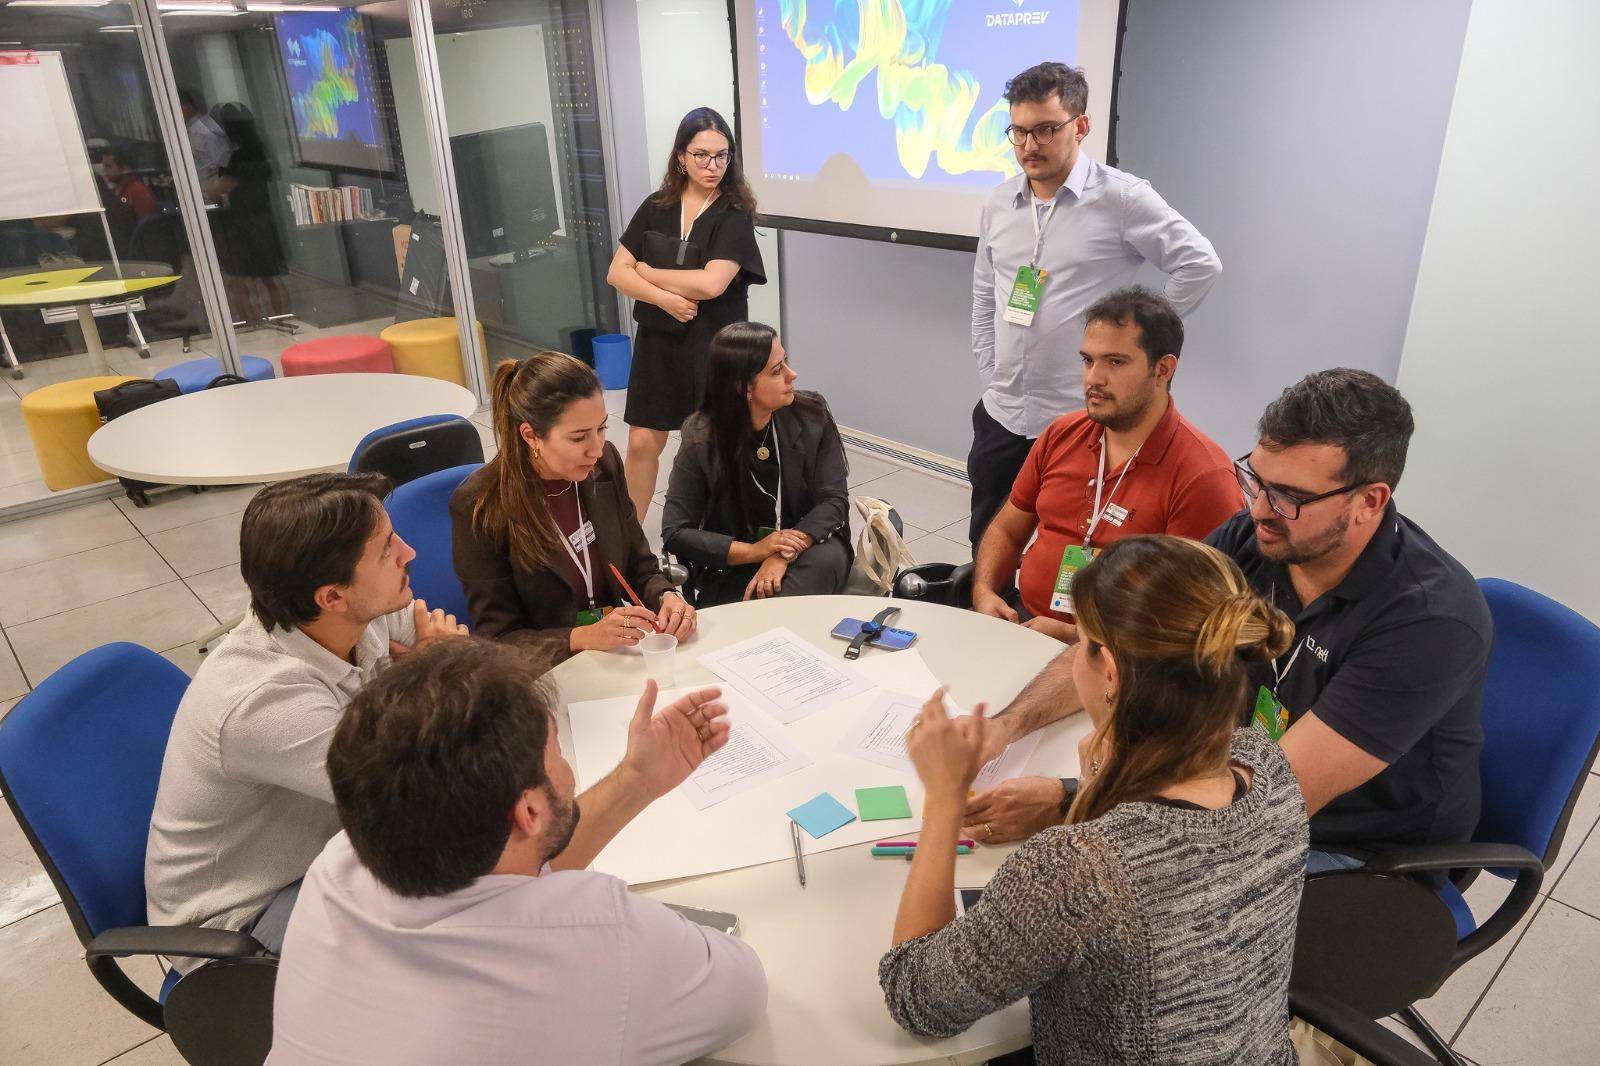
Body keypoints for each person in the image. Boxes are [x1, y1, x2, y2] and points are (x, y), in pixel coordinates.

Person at [961, 371, 1491, 878]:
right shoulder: (1255, 538)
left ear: (1369, 501)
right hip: (1227, 778)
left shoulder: (1428, 623)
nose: (1259, 507)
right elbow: (1128, 644)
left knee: (1095, 906)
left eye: (1290, 497)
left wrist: (1070, 798)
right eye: (1257, 479)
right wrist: (1005, 727)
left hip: (1352, 849)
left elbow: (1269, 803)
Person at [880, 535, 1305, 1065]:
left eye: (1079, 642)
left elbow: (917, 996)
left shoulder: (1075, 870)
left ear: (1111, 673)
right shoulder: (1269, 767)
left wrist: (944, 795)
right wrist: (1086, 795)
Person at [266, 640, 766, 1064]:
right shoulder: (596, 937)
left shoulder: (338, 864)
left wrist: (635, 781)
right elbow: (743, 990)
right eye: (557, 751)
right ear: (528, 811)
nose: (568, 770)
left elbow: (505, 872)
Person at [145, 474, 467, 968]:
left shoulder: (358, 614)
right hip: (246, 921)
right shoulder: (266, 703)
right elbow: (423, 797)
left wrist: (429, 669)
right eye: (386, 550)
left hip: (331, 845)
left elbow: (437, 649)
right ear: (331, 597)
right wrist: (432, 669)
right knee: (464, 904)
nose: (409, 553)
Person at [968, 62, 1221, 549]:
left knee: (1073, 550)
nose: (1029, 145)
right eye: (1018, 132)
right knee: (990, 540)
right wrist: (990, 369)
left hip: (1079, 419)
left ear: (1080, 126)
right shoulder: (999, 202)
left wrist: (1137, 342)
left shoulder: (1122, 199)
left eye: (1045, 129)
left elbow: (1199, 264)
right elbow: (985, 294)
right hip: (1002, 414)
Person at [972, 286, 1238, 642]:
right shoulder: (1062, 434)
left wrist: (1079, 639)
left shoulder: (1203, 477)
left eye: (1115, 362)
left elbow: (1190, 623)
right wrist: (984, 591)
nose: (1093, 378)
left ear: (1163, 369)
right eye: (1087, 360)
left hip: (1122, 660)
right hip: (1025, 624)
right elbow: (1007, 530)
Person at [451, 352, 697, 670]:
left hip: (614, 658)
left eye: (602, 429)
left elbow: (640, 565)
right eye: (579, 437)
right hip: (546, 673)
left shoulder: (604, 464)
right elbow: (500, 640)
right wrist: (580, 637)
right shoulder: (479, 505)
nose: (596, 449)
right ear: (530, 436)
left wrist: (666, 597)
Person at [607, 107, 767, 522]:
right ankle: (629, 538)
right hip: (660, 341)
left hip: (715, 346)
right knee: (642, 443)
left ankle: (715, 537)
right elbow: (615, 272)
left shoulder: (733, 213)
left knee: (713, 447)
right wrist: (666, 300)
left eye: (722, 155)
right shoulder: (656, 206)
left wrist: (647, 272)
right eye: (701, 155)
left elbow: (713, 283)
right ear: (681, 156)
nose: (712, 165)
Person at [661, 322, 851, 605]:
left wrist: (781, 552)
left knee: (783, 601)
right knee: (747, 611)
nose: (792, 375)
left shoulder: (812, 414)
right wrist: (756, 552)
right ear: (744, 388)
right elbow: (675, 532)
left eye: (785, 362)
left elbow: (834, 501)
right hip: (735, 558)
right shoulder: (702, 438)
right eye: (777, 371)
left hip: (811, 544)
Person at [214, 103, 291, 325]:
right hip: (263, 219)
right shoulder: (261, 151)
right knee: (270, 279)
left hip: (243, 223)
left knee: (237, 280)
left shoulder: (239, 157)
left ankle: (250, 321)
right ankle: (281, 318)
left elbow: (221, 188)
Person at [177, 87, 231, 198]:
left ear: (186, 107)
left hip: (214, 196)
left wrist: (217, 193)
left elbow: (225, 165)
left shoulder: (206, 131)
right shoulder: (190, 130)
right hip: (202, 196)